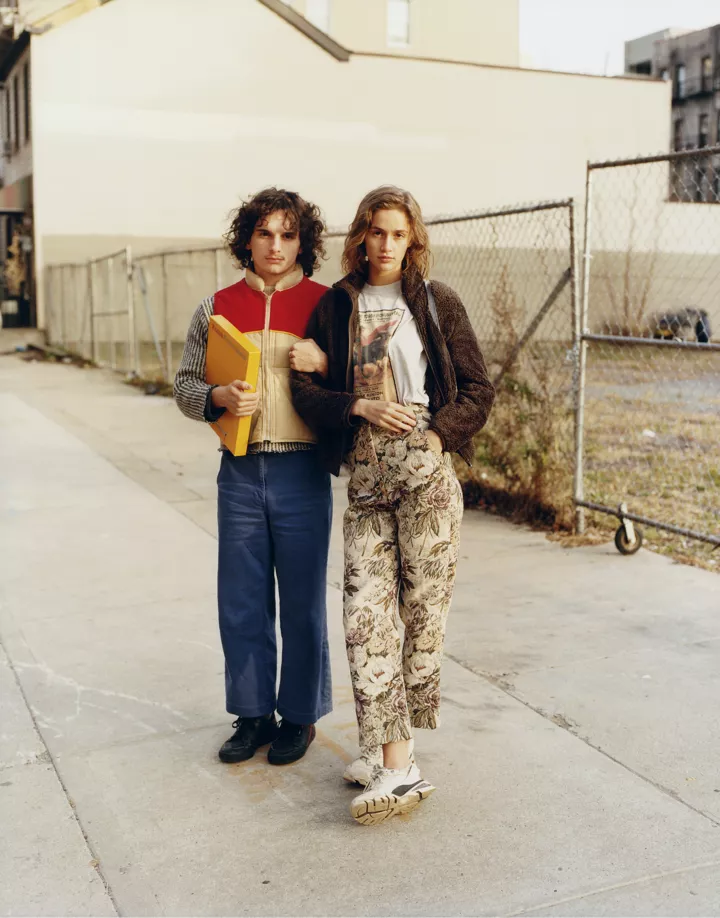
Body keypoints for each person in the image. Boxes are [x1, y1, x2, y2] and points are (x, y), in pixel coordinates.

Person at [290, 185, 495, 825]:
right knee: (364, 614)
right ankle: (394, 761)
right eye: (376, 231)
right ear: (360, 236)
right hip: (366, 478)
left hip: (424, 475)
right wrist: (357, 403)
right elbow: (304, 391)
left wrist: (436, 438)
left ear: (413, 241)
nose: (386, 244)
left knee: (418, 616)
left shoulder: (436, 302)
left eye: (398, 234)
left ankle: (394, 759)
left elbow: (479, 389)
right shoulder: (336, 304)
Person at [174, 188, 332, 767]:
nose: (275, 246)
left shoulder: (326, 305)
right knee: (241, 600)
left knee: (303, 602)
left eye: (287, 235)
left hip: (302, 472)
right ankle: (252, 714)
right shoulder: (215, 307)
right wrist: (216, 396)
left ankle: (300, 717)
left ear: (302, 243)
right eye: (264, 233)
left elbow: (358, 382)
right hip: (239, 473)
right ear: (247, 240)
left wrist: (325, 362)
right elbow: (184, 386)